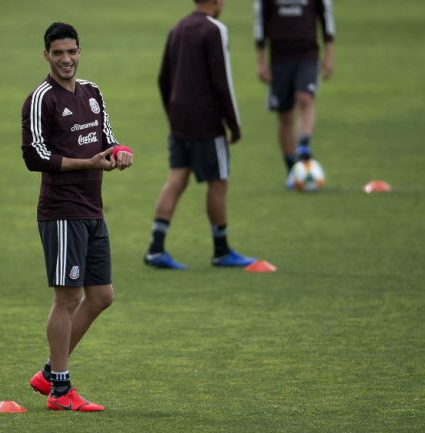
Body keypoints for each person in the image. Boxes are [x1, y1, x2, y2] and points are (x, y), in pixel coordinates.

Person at [21, 22, 134, 411]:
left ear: (80, 51)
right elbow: (34, 156)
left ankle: (50, 372)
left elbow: (107, 136)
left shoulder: (92, 92)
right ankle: (60, 390)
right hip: (62, 212)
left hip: (92, 209)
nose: (66, 59)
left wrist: (119, 152)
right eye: (58, 53)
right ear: (46, 56)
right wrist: (85, 163)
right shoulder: (41, 99)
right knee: (67, 298)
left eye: (72, 52)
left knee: (101, 296)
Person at [144, 0, 255, 270]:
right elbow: (223, 81)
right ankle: (221, 250)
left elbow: (162, 78)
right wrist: (234, 124)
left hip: (179, 119)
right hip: (206, 121)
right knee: (218, 181)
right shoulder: (214, 30)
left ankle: (156, 248)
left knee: (176, 178)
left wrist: (173, 113)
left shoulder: (177, 28)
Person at [254, 0, 335, 187]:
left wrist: (329, 55)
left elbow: (326, 17)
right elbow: (260, 22)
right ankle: (292, 169)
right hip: (279, 56)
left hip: (307, 54)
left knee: (305, 98)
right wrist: (261, 61)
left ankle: (304, 144)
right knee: (284, 116)